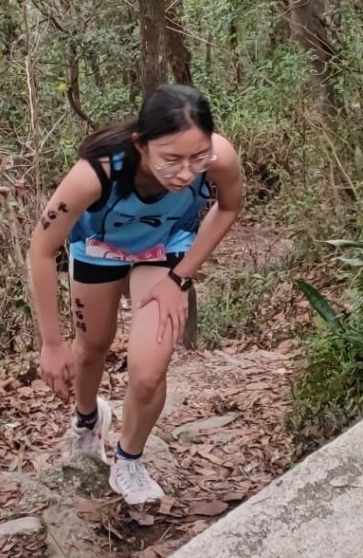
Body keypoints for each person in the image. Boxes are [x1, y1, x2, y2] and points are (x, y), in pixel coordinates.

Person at [28, 84, 244, 508]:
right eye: (171, 159)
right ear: (140, 144)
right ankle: (88, 421)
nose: (186, 172)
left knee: (149, 371)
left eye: (196, 157)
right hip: (99, 247)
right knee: (91, 348)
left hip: (165, 250)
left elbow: (230, 207)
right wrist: (52, 343)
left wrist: (180, 278)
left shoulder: (220, 157)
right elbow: (40, 247)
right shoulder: (96, 173)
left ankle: (129, 458)